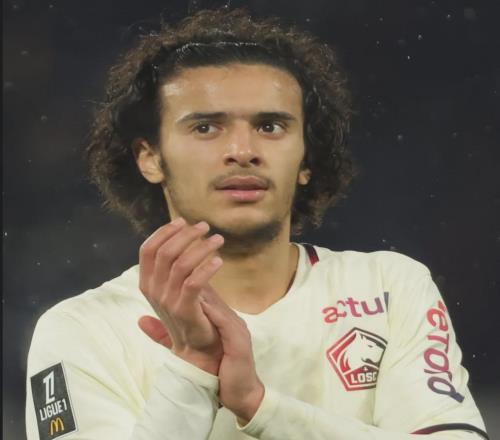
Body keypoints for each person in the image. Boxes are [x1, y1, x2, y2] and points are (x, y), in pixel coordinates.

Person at [25, 8, 489, 440]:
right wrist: (193, 368)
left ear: (307, 157)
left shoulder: (389, 287)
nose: (243, 151)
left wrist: (260, 406)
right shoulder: (81, 330)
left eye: (270, 126)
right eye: (206, 127)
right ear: (150, 157)